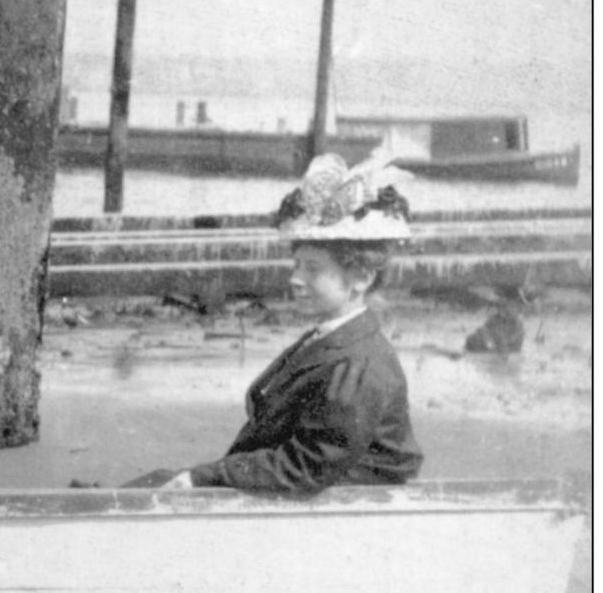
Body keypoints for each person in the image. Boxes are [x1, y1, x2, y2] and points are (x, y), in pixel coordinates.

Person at [132, 150, 424, 493]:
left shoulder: (360, 361)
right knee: (154, 482)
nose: (295, 280)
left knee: (164, 490)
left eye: (312, 269)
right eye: (296, 266)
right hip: (309, 483)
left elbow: (310, 465)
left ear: (360, 277)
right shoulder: (332, 340)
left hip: (343, 504)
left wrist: (206, 477)